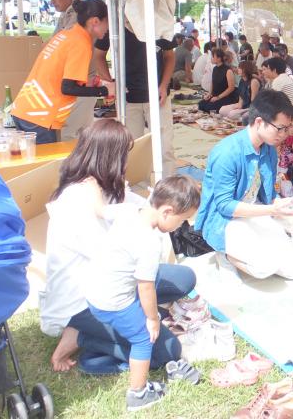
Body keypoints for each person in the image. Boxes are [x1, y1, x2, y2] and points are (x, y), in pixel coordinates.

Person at [43, 120, 195, 375]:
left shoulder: (105, 187)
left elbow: (144, 207)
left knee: (184, 278)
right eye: (124, 155)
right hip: (87, 299)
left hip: (114, 283)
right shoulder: (76, 198)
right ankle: (82, 337)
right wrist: (148, 314)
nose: (126, 163)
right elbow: (112, 259)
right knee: (167, 351)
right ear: (109, 157)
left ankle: (113, 328)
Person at [85, 175, 200, 411]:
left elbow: (100, 210)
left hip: (94, 291)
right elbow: (145, 286)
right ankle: (138, 394)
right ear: (167, 212)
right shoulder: (149, 242)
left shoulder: (128, 210)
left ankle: (92, 340)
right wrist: (152, 319)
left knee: (144, 319)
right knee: (144, 338)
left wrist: (94, 186)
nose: (182, 226)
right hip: (115, 302)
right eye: (181, 220)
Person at [195, 90, 293, 281]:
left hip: (255, 211)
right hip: (225, 219)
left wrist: (283, 208)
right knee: (263, 268)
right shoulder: (227, 152)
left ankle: (245, 249)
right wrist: (271, 210)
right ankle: (225, 254)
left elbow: (268, 194)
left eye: (286, 129)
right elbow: (224, 205)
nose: (283, 134)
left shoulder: (269, 150)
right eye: (280, 128)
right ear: (259, 122)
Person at [11, 0, 110, 144]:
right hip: (40, 115)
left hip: (25, 109)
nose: (108, 28)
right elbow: (67, 88)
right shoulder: (81, 43)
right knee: (48, 159)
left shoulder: (66, 35)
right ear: (95, 21)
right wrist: (104, 91)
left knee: (34, 157)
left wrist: (90, 84)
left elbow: (58, 75)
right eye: (107, 22)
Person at [93, 23, 178, 175]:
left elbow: (169, 56)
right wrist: (111, 83)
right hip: (127, 97)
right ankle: (135, 185)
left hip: (158, 96)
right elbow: (98, 55)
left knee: (164, 146)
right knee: (131, 147)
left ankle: (168, 184)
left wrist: (164, 85)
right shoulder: (116, 22)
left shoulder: (157, 21)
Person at [40, 0, 99, 139]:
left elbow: (59, 43)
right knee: (77, 133)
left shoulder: (77, 13)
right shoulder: (68, 13)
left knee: (71, 134)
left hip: (80, 81)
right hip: (76, 81)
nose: (52, 2)